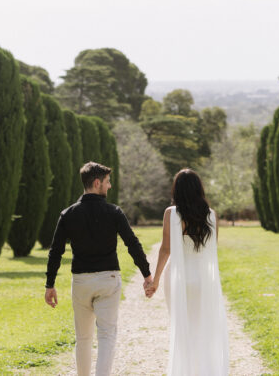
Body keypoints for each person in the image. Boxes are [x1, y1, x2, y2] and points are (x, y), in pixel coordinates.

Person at [45, 161, 154, 376]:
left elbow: (55, 251)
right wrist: (146, 274)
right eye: (107, 182)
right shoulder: (114, 212)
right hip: (108, 279)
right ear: (97, 183)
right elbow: (132, 243)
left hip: (81, 282)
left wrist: (50, 284)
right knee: (106, 336)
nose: (110, 186)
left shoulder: (68, 214)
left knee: (83, 338)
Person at [146, 168, 230, 376]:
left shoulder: (170, 214)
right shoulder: (211, 216)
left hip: (177, 278)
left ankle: (185, 370)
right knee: (202, 328)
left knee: (182, 327)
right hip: (202, 279)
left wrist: (154, 281)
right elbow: (211, 249)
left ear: (177, 190)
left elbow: (165, 249)